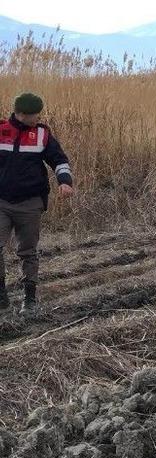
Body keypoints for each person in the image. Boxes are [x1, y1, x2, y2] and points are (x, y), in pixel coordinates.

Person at [0, 93, 74, 316]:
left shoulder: (42, 134)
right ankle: (1, 297)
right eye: (34, 115)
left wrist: (65, 182)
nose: (37, 118)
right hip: (1, 201)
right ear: (21, 114)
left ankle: (29, 298)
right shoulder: (1, 130)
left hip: (31, 203)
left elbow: (59, 160)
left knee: (28, 252)